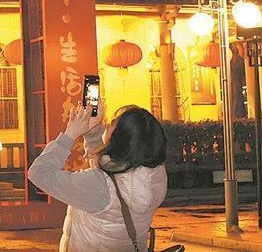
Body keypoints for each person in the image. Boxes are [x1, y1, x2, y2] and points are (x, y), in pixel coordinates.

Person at [27, 101, 168, 252]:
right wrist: (94, 134)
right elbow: (111, 172)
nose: (107, 125)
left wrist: (70, 134)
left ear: (119, 139)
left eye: (112, 124)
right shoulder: (155, 175)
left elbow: (39, 173)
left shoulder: (99, 185)